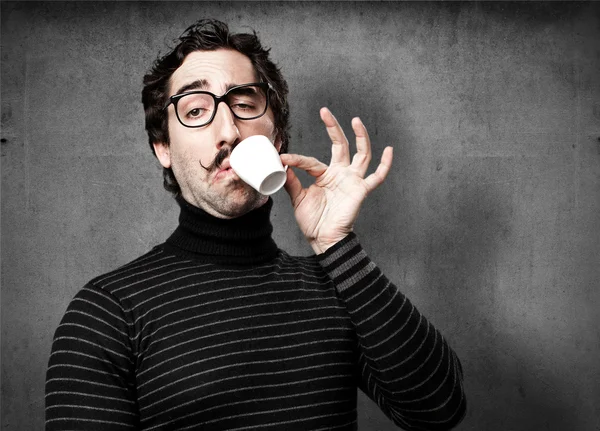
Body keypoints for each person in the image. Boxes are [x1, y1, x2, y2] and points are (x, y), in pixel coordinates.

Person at [45, 19, 466, 431]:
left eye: (244, 105)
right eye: (195, 110)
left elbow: (439, 412)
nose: (228, 130)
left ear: (277, 138)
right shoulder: (106, 313)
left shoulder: (338, 287)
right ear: (164, 149)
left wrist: (337, 245)